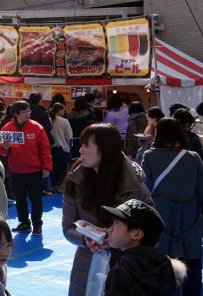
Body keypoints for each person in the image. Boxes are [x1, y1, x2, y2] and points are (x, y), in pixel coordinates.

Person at [62, 123, 152, 296]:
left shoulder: (134, 185)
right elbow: (68, 227)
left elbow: (151, 230)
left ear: (105, 150)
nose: (80, 150)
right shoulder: (75, 181)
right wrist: (84, 239)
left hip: (127, 267)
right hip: (87, 264)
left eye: (86, 145)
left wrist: (116, 240)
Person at [141, 118, 203, 296]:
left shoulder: (149, 156)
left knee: (160, 267)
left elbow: (145, 189)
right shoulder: (193, 157)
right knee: (191, 266)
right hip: (189, 220)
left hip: (160, 218)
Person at [100, 199, 185, 296]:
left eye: (116, 223)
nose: (110, 229)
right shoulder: (164, 264)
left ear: (137, 234)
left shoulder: (120, 273)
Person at [0, 101, 53, 235]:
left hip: (35, 171)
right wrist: (4, 148)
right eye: (24, 112)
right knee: (20, 199)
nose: (28, 114)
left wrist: (46, 167)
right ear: (16, 113)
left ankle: (37, 225)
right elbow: (3, 152)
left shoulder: (37, 128)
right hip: (16, 171)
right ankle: (24, 222)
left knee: (36, 200)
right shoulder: (6, 129)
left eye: (29, 111)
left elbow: (45, 149)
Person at [49, 103, 73, 191]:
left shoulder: (49, 120)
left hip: (51, 149)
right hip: (62, 148)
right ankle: (60, 187)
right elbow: (69, 136)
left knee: (53, 170)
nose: (64, 111)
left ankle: (53, 186)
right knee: (62, 170)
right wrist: (70, 147)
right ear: (59, 110)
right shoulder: (64, 121)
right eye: (63, 109)